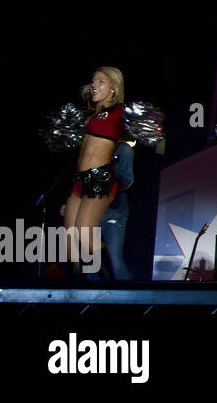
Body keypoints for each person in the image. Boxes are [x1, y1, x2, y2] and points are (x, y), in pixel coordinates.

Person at [63, 67, 126, 277]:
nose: (94, 85)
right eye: (93, 81)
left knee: (84, 231)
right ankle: (77, 294)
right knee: (70, 237)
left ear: (114, 88)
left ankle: (108, 290)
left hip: (99, 178)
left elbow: (153, 125)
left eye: (101, 81)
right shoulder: (90, 116)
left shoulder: (119, 112)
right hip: (80, 179)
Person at [99, 140, 135, 280]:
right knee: (91, 263)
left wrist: (108, 178)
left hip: (113, 214)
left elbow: (127, 181)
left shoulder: (123, 150)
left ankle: (125, 299)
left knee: (116, 262)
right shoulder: (92, 147)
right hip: (90, 215)